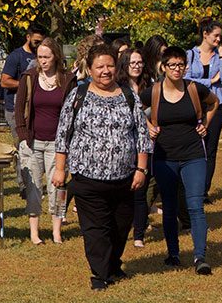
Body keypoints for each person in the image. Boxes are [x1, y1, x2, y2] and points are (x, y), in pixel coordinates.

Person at [52, 45, 152, 290]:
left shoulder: (128, 94)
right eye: (100, 67)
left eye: (110, 66)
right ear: (90, 68)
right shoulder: (78, 95)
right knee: (96, 229)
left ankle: (113, 266)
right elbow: (63, 133)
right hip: (87, 177)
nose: (105, 71)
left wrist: (141, 169)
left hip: (125, 176)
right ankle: (99, 274)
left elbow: (141, 134)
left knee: (120, 225)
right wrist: (60, 168)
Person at [144, 46, 220, 274]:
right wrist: (148, 127)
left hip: (193, 155)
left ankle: (200, 257)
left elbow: (214, 102)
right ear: (163, 67)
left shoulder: (194, 88)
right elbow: (134, 107)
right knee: (169, 206)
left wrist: (205, 125)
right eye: (172, 65)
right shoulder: (154, 91)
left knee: (195, 205)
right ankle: (173, 254)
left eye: (181, 65)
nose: (177, 69)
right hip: (164, 157)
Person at [14, 38, 75, 244]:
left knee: (58, 187)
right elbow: (19, 109)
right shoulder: (29, 77)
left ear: (56, 57)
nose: (43, 61)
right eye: (39, 57)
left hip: (58, 145)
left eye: (46, 57)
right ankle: (34, 232)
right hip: (33, 142)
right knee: (33, 187)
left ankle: (57, 230)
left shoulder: (68, 79)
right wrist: (23, 137)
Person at [185, 19, 222, 200]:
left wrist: (221, 56)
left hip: (216, 106)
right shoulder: (190, 55)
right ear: (205, 34)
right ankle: (190, 188)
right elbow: (187, 79)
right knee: (194, 146)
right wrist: (210, 81)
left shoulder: (221, 55)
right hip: (194, 105)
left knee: (210, 149)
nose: (219, 39)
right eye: (216, 35)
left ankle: (203, 191)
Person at [0, 26, 45, 190]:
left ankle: (33, 180)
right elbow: (4, 81)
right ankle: (23, 184)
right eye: (36, 41)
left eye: (41, 42)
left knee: (33, 145)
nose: (39, 44)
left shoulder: (40, 56)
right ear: (28, 37)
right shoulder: (16, 56)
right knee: (22, 144)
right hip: (15, 109)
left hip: (34, 109)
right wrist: (27, 85)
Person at [119, 48, 155, 246]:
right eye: (132, 62)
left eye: (139, 62)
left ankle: (139, 234)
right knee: (125, 190)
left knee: (141, 190)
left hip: (145, 145)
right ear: (125, 64)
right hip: (124, 145)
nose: (136, 66)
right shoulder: (117, 87)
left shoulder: (150, 87)